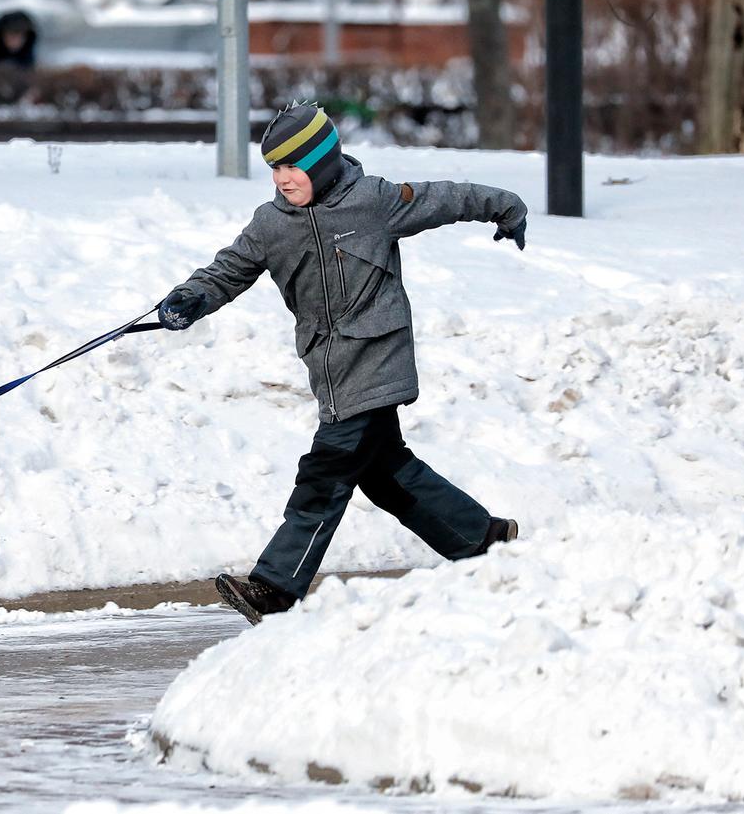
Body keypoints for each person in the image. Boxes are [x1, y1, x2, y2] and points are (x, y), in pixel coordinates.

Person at [158, 102, 529, 625]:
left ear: (324, 162)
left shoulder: (374, 202)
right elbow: (229, 269)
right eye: (275, 169)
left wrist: (504, 205)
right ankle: (484, 539)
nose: (284, 179)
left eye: (295, 166)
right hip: (329, 370)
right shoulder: (271, 225)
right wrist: (189, 299)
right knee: (385, 475)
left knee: (325, 475)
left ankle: (275, 588)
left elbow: (446, 197)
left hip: (377, 361)